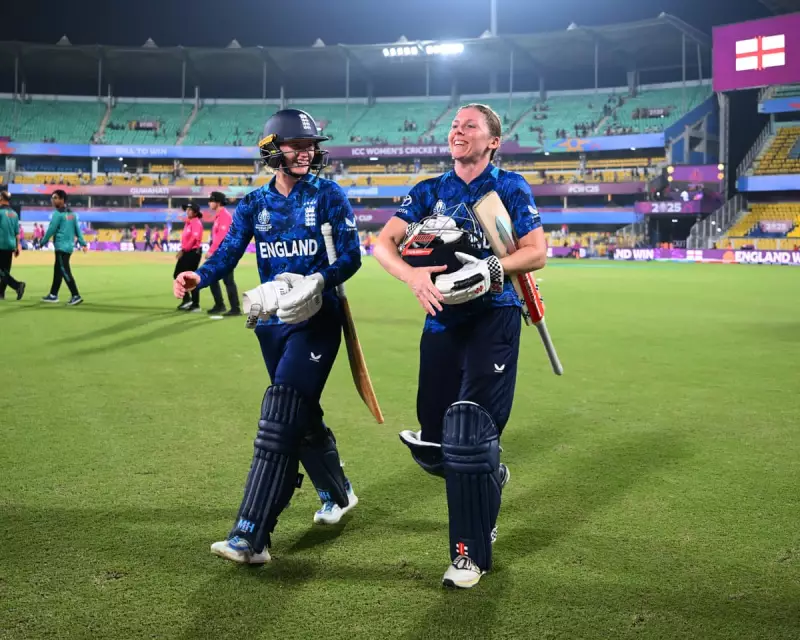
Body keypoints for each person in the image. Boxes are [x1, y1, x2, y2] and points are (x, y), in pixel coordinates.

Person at [173, 108, 362, 564]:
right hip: (271, 323)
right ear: (272, 150)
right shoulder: (254, 205)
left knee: (280, 413)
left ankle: (251, 534)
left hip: (317, 320)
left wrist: (320, 280)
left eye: (310, 145)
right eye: (296, 145)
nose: (306, 152)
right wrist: (200, 276)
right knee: (299, 415)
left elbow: (352, 256)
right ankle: (338, 493)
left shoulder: (330, 195)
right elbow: (229, 251)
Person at [373, 103, 547, 589]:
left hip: (495, 317)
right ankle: (489, 475)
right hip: (441, 322)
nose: (458, 131)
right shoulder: (429, 192)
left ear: (493, 140)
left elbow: (536, 253)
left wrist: (496, 269)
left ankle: (468, 554)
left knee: (469, 430)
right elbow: (383, 243)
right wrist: (410, 275)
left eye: (469, 125)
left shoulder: (509, 187)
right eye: (454, 125)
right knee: (436, 443)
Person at [41, 190, 88, 306]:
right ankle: (53, 295)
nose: (53, 200)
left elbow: (51, 229)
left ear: (62, 199)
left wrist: (43, 241)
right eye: (53, 197)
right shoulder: (72, 214)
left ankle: (75, 295)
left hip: (61, 247)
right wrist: (83, 243)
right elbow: (78, 230)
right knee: (58, 270)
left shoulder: (57, 214)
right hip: (68, 247)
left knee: (64, 270)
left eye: (55, 198)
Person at [205, 191, 241, 317]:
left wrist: (211, 250)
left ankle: (235, 308)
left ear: (218, 202)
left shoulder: (224, 216)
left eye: (211, 200)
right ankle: (220, 304)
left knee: (228, 280)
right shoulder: (219, 216)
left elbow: (222, 237)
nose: (209, 203)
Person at [174, 202, 204, 312]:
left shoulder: (196, 223)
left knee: (190, 278)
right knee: (179, 275)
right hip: (188, 251)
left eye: (190, 209)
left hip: (192, 252)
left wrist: (183, 250)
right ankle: (187, 300)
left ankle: (195, 304)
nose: (187, 211)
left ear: (195, 212)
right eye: (187, 209)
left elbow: (194, 240)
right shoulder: (189, 222)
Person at [0, 190, 25, 301]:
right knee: (5, 270)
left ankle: (17, 285)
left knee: (2, 271)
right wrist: (17, 246)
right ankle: (1, 293)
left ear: (1, 198)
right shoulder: (14, 214)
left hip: (1, 243)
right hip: (10, 244)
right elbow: (17, 233)